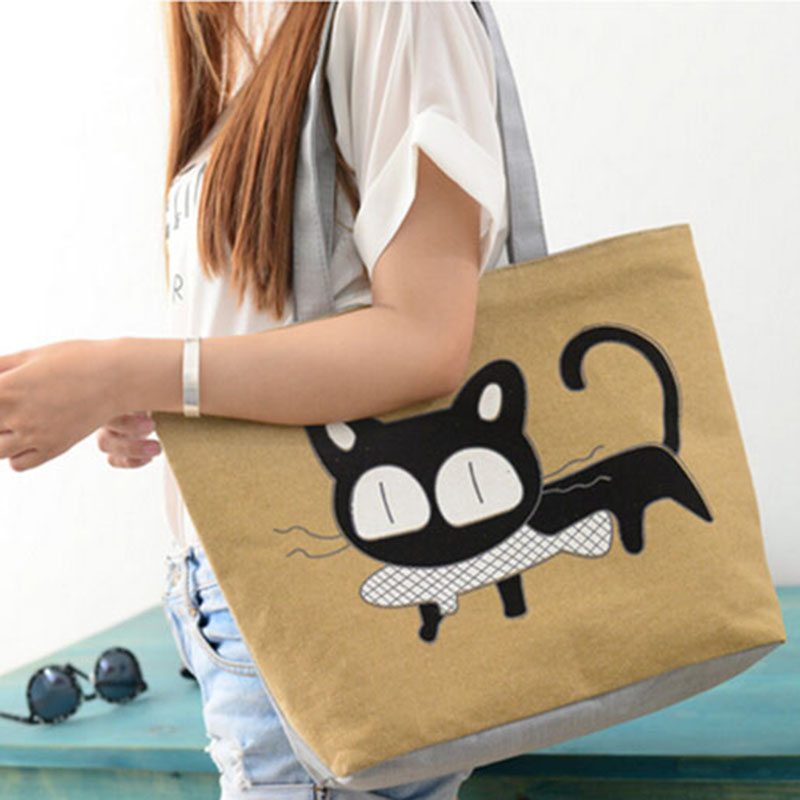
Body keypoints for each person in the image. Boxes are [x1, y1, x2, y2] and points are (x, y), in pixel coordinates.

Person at [0, 1, 510, 797]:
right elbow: (298, 322)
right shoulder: (227, 24)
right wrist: (168, 396)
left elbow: (426, 341)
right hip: (234, 606)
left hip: (322, 602)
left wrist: (129, 371)